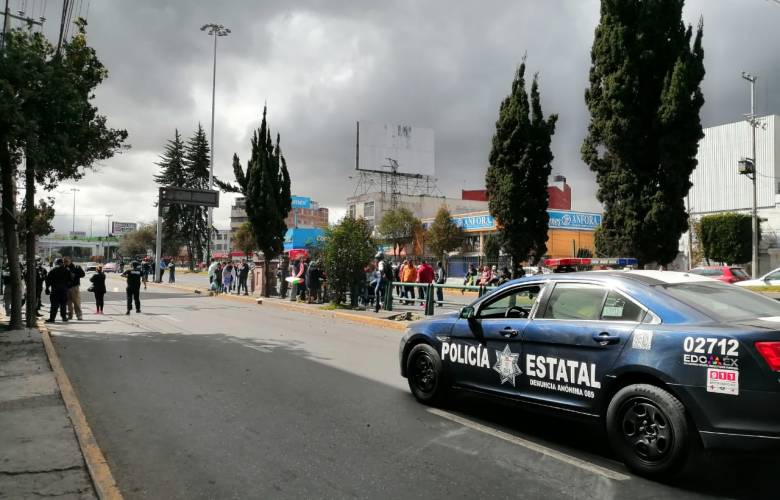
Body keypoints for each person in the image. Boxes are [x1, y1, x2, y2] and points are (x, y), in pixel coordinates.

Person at [44, 258, 72, 323]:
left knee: (54, 305)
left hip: (55, 289)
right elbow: (70, 280)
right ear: (62, 263)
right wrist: (66, 286)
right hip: (64, 290)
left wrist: (47, 288)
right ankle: (64, 317)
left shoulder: (53, 270)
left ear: (56, 263)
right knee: (63, 304)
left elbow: (48, 280)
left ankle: (52, 318)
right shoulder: (67, 270)